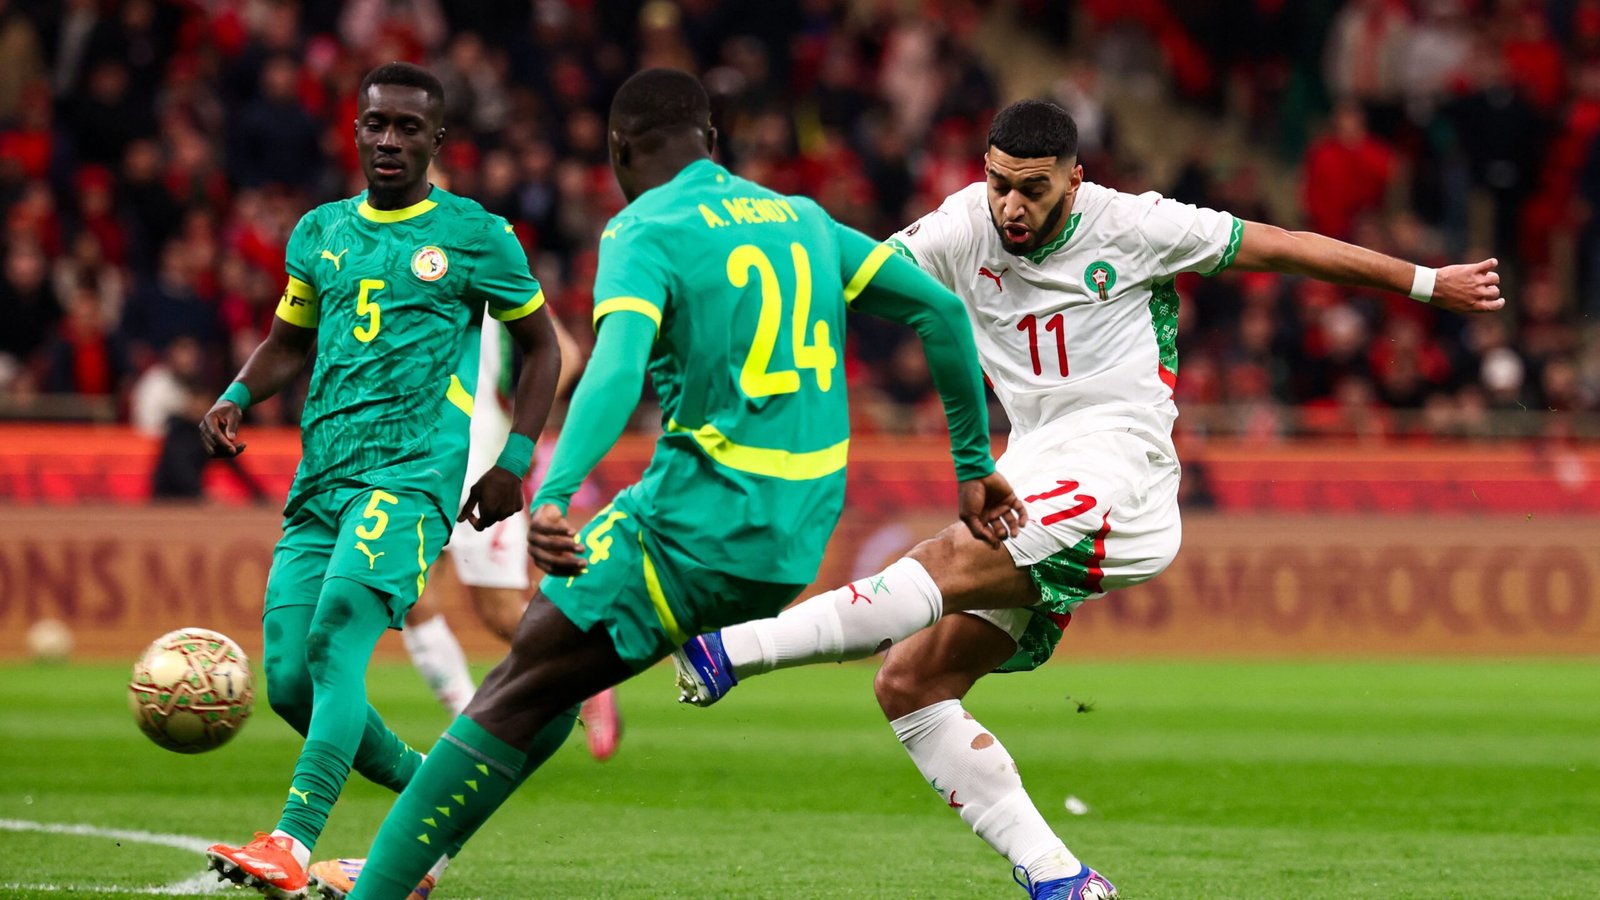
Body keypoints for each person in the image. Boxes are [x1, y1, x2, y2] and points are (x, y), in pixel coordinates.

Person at [673, 99, 1505, 900]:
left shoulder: (1136, 225)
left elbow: (1283, 246)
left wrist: (1432, 283)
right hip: (1035, 463)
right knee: (912, 681)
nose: (1011, 205)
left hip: (1122, 470)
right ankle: (1062, 877)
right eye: (999, 182)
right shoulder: (965, 222)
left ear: (1074, 180)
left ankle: (730, 650)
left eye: (1032, 189)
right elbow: (851, 283)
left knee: (953, 557)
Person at [334, 67, 1020, 900]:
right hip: (794, 538)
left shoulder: (643, 229)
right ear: (713, 143)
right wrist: (976, 467)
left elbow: (617, 367)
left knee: (517, 683)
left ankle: (382, 883)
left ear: (620, 149)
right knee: (554, 677)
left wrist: (555, 492)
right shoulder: (802, 219)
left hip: (695, 524)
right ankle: (417, 868)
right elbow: (942, 316)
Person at [197, 61, 564, 899]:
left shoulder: (474, 235)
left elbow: (541, 343)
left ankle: (292, 841)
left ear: (439, 140)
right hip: (321, 477)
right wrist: (237, 393)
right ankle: (434, 792)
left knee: (335, 638)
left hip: (408, 476)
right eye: (375, 124)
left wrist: (513, 463)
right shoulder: (318, 232)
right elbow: (292, 338)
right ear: (354, 129)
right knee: (290, 677)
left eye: (406, 127)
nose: (389, 139)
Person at [396, 315, 623, 762]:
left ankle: (589, 675)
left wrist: (512, 420)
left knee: (499, 612)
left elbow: (567, 352)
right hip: (426, 458)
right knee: (412, 598)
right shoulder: (421, 261)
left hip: (479, 461)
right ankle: (467, 727)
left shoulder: (489, 265)